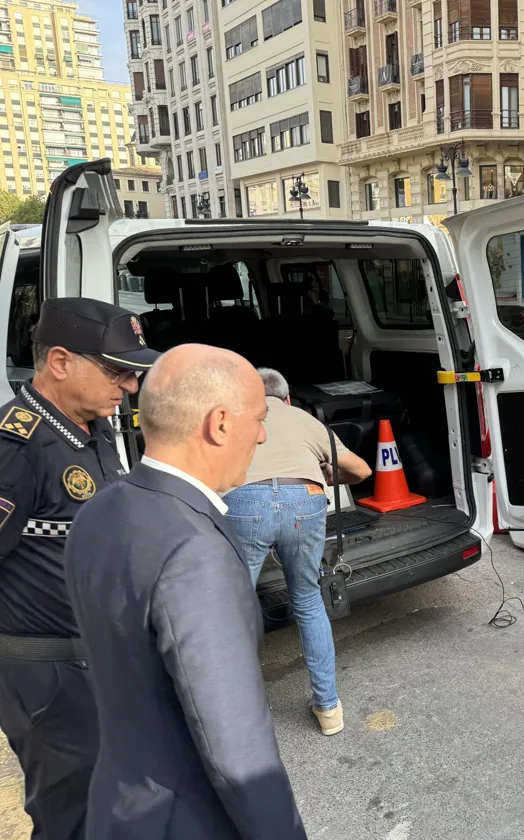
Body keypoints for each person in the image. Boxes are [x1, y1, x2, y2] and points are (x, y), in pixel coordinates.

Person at [63, 345, 308, 840]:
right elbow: (239, 755)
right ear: (219, 424)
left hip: (117, 802)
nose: (262, 435)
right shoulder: (196, 551)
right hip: (186, 820)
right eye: (259, 419)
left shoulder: (97, 511)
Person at [0, 298, 156, 840]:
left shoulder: (97, 429)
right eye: (116, 371)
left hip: (97, 657)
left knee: (113, 795)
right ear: (61, 362)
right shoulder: (14, 447)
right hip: (48, 672)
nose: (129, 387)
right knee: (72, 812)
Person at [224, 368, 372, 736]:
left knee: (233, 608)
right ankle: (329, 711)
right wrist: (330, 474)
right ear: (287, 398)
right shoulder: (306, 420)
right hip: (304, 499)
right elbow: (362, 470)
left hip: (245, 503)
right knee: (307, 598)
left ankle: (230, 715)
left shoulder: (235, 417)